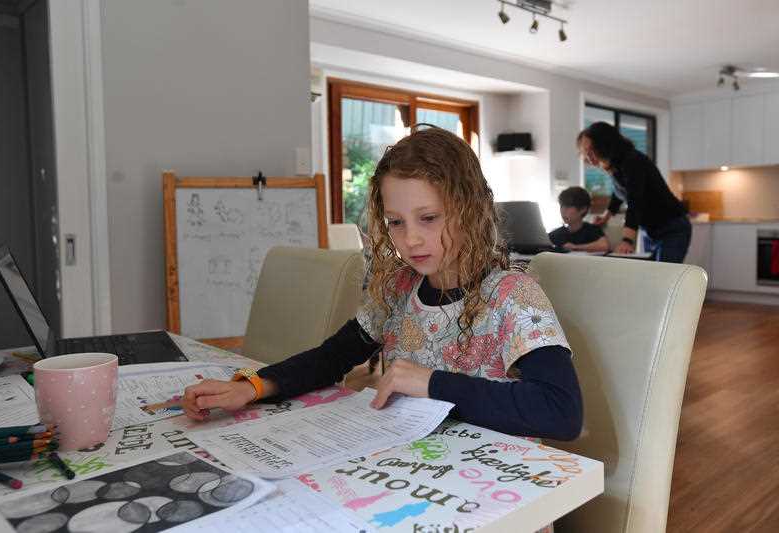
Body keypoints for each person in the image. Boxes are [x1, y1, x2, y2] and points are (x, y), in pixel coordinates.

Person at [182, 125, 583, 441]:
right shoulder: (398, 289)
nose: (410, 239)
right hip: (417, 471)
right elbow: (330, 358)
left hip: (498, 493)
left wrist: (433, 383)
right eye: (396, 222)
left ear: (471, 210)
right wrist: (252, 387)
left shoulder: (512, 295)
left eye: (429, 218)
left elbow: (561, 412)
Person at [578, 121, 691, 263]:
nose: (588, 157)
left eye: (591, 151)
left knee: (664, 277)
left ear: (605, 146)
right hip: (652, 231)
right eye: (585, 152)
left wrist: (627, 240)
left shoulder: (633, 162)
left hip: (672, 228)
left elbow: (635, 202)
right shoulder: (616, 166)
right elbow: (619, 192)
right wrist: (606, 216)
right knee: (651, 277)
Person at [549, 186, 610, 252]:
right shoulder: (557, 233)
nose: (563, 210)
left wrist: (575, 247)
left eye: (568, 206)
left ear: (583, 209)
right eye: (561, 206)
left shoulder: (592, 230)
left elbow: (604, 246)